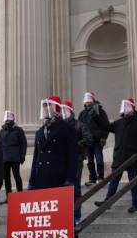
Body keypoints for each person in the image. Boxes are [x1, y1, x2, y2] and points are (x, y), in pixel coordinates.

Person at [95, 98, 137, 213]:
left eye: (127, 106)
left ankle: (135, 204)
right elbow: (105, 126)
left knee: (133, 181)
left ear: (132, 108)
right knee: (114, 180)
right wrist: (96, 115)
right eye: (124, 107)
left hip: (132, 157)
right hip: (118, 156)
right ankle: (107, 201)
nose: (125, 109)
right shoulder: (118, 123)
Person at [29, 96, 78, 190]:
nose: (44, 109)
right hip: (41, 179)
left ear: (56, 107)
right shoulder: (39, 132)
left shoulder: (67, 129)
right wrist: (32, 180)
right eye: (43, 106)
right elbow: (36, 158)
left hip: (58, 178)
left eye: (47, 105)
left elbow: (72, 155)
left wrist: (70, 178)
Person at [61, 101, 93, 231]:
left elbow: (88, 139)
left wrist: (74, 144)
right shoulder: (60, 126)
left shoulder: (79, 125)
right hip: (63, 161)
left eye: (64, 110)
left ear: (70, 111)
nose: (62, 113)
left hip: (76, 160)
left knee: (75, 189)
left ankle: (76, 216)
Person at [78, 92, 110, 186]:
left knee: (99, 160)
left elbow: (106, 125)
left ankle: (101, 178)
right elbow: (80, 127)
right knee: (90, 161)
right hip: (87, 142)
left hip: (97, 140)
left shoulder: (100, 111)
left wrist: (104, 137)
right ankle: (92, 178)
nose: (87, 103)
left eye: (89, 101)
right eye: (86, 101)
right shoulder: (82, 114)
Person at [0, 110, 27, 204]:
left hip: (15, 157)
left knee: (17, 176)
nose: (8, 122)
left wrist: (22, 155)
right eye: (7, 120)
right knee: (7, 179)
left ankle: (20, 195)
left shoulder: (19, 130)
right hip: (5, 158)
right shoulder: (1, 131)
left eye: (9, 120)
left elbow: (23, 143)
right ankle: (8, 197)